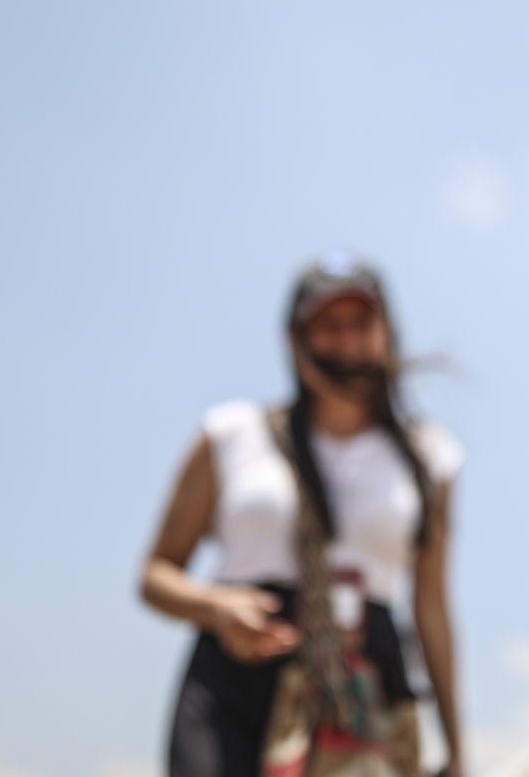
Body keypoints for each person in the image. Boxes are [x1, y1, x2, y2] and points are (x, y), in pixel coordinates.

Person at [140, 253, 466, 776]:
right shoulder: (231, 433)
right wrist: (215, 607)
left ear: (386, 332)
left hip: (363, 692)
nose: (347, 341)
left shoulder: (430, 458)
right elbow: (155, 575)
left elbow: (431, 607)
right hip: (237, 681)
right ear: (295, 340)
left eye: (361, 324)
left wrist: (456, 747)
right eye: (327, 326)